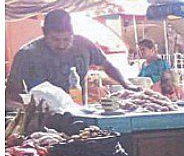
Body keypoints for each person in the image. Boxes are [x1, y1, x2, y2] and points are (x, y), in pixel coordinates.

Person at [5, 10, 137, 104]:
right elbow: (10, 95)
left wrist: (126, 84)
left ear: (73, 33)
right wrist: (28, 110)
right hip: (45, 116)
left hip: (80, 109)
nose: (62, 45)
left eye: (66, 39)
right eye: (55, 40)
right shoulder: (27, 54)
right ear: (44, 33)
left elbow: (107, 65)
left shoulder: (84, 44)